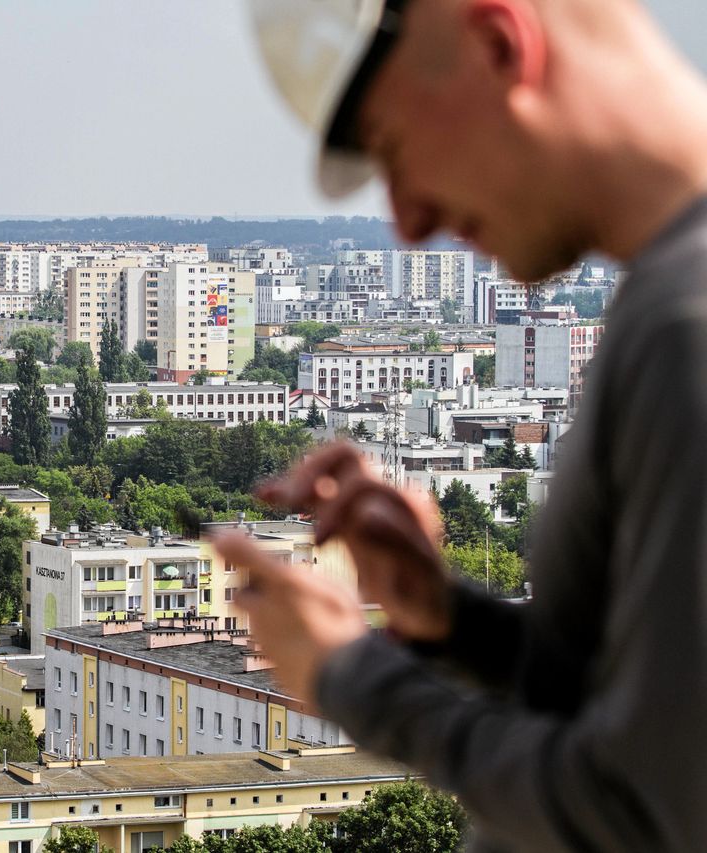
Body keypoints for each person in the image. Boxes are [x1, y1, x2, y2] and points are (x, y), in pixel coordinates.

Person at [222, 0, 707, 850]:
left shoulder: (688, 326)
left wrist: (355, 677)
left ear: (496, 45)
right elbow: (648, 718)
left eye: (397, 153)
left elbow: (646, 809)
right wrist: (449, 621)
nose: (408, 222)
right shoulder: (665, 300)